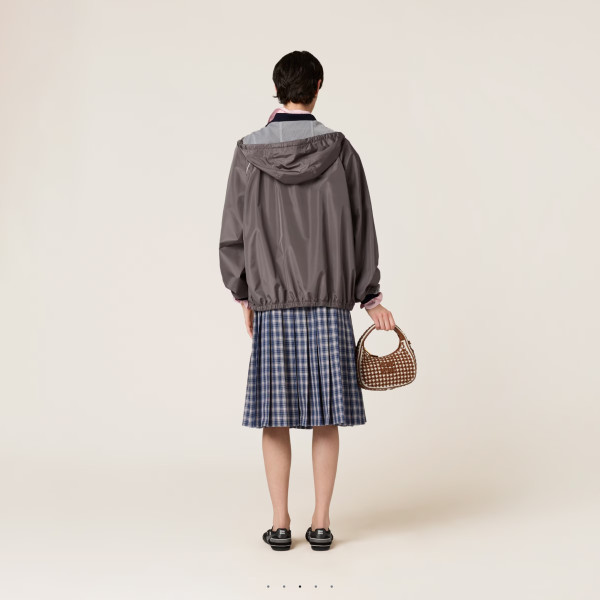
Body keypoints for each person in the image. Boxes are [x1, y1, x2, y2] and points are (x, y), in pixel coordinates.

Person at [218, 50, 395, 551]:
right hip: (328, 303)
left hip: (273, 305)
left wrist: (244, 294)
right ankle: (321, 523)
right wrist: (370, 296)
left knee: (274, 415)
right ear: (318, 86)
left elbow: (233, 232)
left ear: (278, 88)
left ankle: (280, 523)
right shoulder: (339, 150)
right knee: (325, 414)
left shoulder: (248, 152)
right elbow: (362, 228)